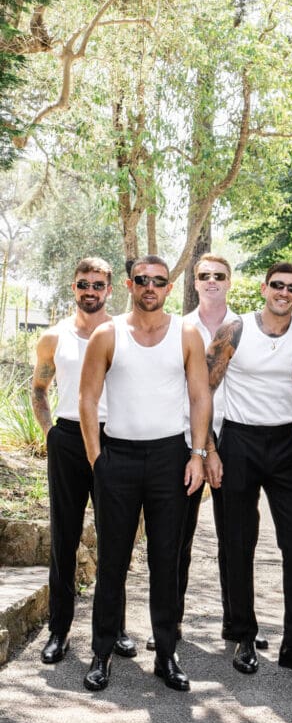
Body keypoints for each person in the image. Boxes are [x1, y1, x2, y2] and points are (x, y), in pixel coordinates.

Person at [206, 261, 292, 678]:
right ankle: (243, 635)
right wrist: (207, 449)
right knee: (238, 541)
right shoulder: (235, 331)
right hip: (238, 441)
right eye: (277, 285)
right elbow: (202, 389)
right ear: (265, 289)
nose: (283, 292)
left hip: (288, 444)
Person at [79, 255, 212, 693]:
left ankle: (167, 654)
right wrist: (99, 460)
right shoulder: (107, 334)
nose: (150, 286)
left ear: (170, 288)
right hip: (117, 457)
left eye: (159, 280)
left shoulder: (187, 333)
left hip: (170, 459)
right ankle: (101, 653)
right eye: (142, 280)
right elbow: (87, 398)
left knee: (166, 562)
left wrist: (197, 454)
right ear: (131, 285)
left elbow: (199, 397)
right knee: (113, 561)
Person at [144, 253, 267, 653]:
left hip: (236, 442)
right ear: (193, 283)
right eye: (204, 276)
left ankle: (238, 627)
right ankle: (168, 624)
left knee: (236, 538)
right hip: (185, 443)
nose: (211, 281)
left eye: (219, 275)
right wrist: (203, 448)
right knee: (175, 539)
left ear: (230, 282)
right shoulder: (177, 329)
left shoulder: (246, 329)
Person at [30, 257, 136, 666]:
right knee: (64, 538)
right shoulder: (53, 337)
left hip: (116, 438)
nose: (90, 291)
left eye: (97, 285)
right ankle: (59, 631)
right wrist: (51, 435)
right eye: (82, 284)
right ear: (73, 287)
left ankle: (117, 628)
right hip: (69, 439)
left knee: (116, 538)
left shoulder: (124, 334)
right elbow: (39, 389)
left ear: (110, 289)